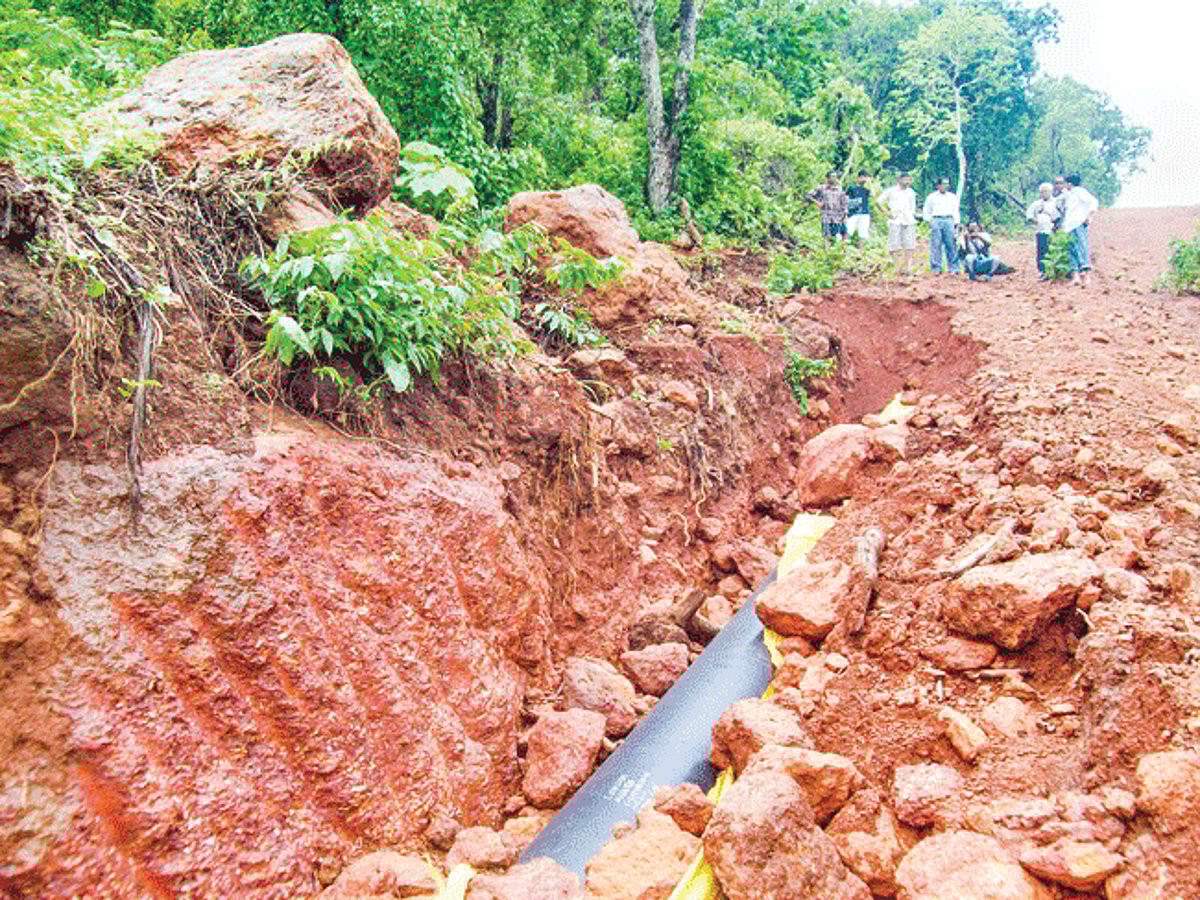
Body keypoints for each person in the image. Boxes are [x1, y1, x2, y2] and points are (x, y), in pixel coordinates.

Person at [1060, 174, 1099, 286]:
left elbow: (1093, 202)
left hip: (1078, 223)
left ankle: (1086, 277)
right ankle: (1075, 277)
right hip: (1069, 226)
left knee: (1082, 248)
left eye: (1065, 183)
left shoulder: (1080, 192)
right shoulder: (1069, 194)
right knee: (1071, 250)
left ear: (1070, 184)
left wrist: (1089, 216)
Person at [877, 172, 917, 276]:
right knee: (894, 244)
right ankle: (896, 267)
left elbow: (912, 206)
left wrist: (911, 214)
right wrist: (887, 212)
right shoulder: (891, 191)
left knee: (909, 244)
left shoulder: (911, 192)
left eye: (909, 180)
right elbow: (879, 201)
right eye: (905, 179)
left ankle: (908, 267)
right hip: (895, 219)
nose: (907, 182)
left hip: (908, 219)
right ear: (899, 180)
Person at [922, 177, 960, 274]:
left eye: (947, 184)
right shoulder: (931, 197)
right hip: (936, 219)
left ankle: (953, 268)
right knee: (936, 244)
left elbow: (956, 210)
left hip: (949, 220)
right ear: (938, 185)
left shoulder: (952, 197)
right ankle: (936, 268)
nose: (945, 186)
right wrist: (930, 221)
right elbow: (926, 211)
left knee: (951, 244)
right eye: (943, 184)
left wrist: (956, 223)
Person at [1026, 182, 1061, 278]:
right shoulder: (1036, 204)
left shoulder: (1056, 202)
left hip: (1053, 230)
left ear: (1051, 191)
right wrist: (1034, 220)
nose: (1044, 193)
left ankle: (1054, 270)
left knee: (1053, 250)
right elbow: (1029, 215)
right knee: (1041, 251)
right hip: (1040, 231)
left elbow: (1060, 216)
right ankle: (1042, 271)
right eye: (1042, 192)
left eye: (1046, 191)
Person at [807, 170, 849, 243]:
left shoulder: (839, 189)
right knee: (826, 235)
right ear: (827, 178)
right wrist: (817, 202)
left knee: (837, 235)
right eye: (832, 176)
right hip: (826, 215)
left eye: (835, 177)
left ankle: (837, 252)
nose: (834, 178)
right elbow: (808, 195)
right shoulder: (821, 188)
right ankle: (827, 251)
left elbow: (844, 202)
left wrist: (844, 213)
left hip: (837, 216)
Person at [846, 171, 872, 243]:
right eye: (862, 177)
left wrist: (869, 183)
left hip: (864, 213)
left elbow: (874, 195)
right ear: (858, 178)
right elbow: (846, 200)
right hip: (852, 213)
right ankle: (843, 250)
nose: (864, 179)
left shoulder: (867, 189)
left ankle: (861, 251)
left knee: (863, 234)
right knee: (848, 231)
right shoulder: (851, 188)